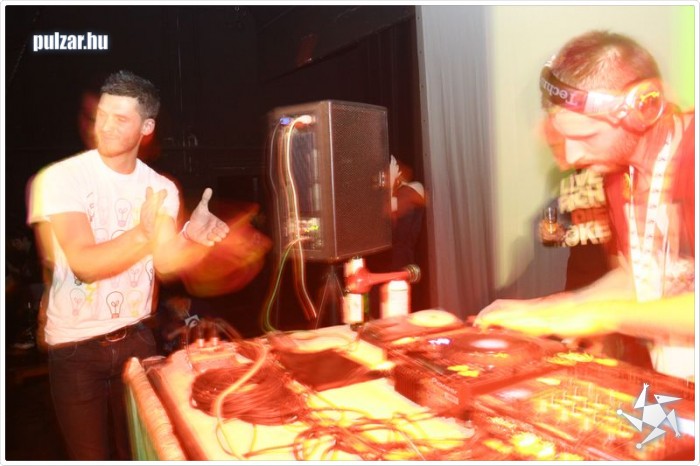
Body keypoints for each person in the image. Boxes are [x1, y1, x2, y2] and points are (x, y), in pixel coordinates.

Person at [26, 70, 243, 460]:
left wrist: (192, 236)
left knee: (140, 453)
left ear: (147, 127)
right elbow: (84, 264)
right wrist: (142, 234)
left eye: (120, 118)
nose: (105, 126)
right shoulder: (61, 178)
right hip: (76, 350)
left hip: (137, 340)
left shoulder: (161, 187)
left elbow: (166, 261)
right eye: (102, 115)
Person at [477, 31, 695, 381]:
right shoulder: (618, 178)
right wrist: (554, 307)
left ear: (644, 108)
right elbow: (641, 278)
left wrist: (599, 315)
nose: (572, 156)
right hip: (677, 388)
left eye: (586, 137)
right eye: (564, 137)